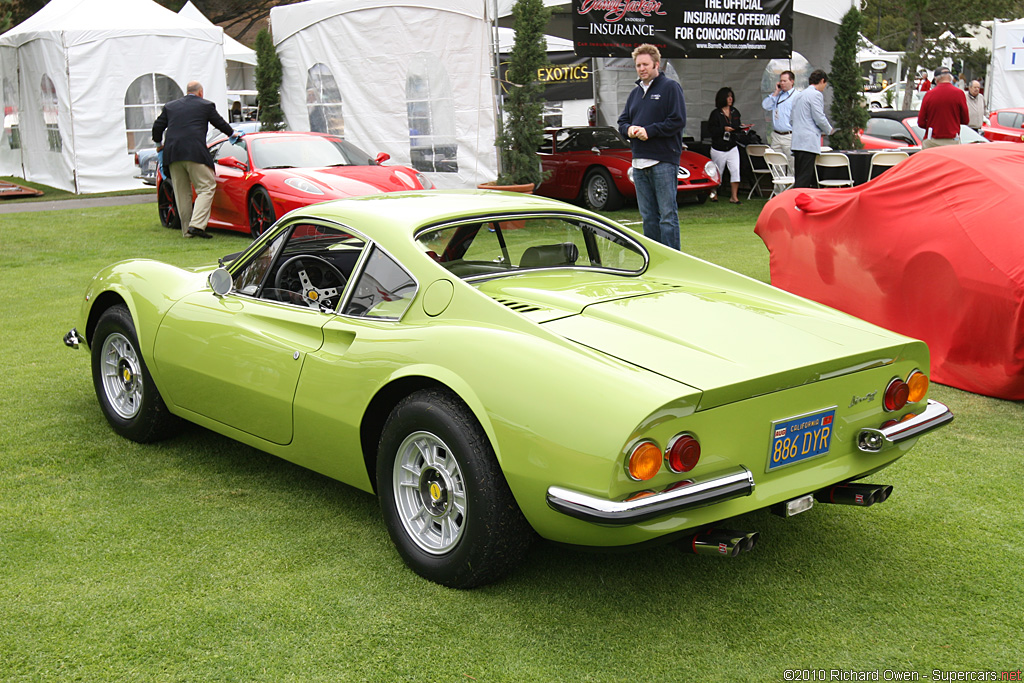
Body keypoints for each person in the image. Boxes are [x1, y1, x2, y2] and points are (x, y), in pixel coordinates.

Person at [617, 43, 686, 250]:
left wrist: (650, 131)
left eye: (645, 64)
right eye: (638, 65)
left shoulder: (670, 88)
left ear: (657, 64)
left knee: (667, 215)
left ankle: (674, 261)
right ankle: (654, 260)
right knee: (648, 217)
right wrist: (629, 130)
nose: (641, 68)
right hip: (639, 162)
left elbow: (677, 120)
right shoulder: (635, 93)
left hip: (663, 161)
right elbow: (622, 122)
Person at [152, 81, 238, 239]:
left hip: (173, 155)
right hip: (194, 153)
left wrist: (159, 146)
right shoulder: (205, 105)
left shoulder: (171, 106)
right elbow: (219, 123)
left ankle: (186, 232)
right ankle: (196, 225)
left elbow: (157, 127)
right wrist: (232, 134)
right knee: (206, 187)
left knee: (181, 193)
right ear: (200, 92)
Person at [790, 69, 833, 189]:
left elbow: (791, 120)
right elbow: (819, 117)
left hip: (797, 141)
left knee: (799, 175)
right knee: (804, 177)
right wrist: (829, 130)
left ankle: (796, 201)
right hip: (808, 142)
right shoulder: (816, 94)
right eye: (825, 84)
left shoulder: (798, 96)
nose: (824, 87)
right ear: (822, 81)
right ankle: (795, 203)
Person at [918, 66, 968, 148]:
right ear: (950, 78)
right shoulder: (959, 94)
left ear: (936, 79)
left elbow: (921, 122)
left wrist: (932, 125)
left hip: (932, 139)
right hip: (952, 139)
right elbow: (965, 120)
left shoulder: (929, 95)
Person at [708, 87, 743, 204]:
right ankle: (714, 194)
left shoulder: (735, 112)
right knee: (718, 172)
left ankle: (734, 196)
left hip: (732, 147)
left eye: (731, 96)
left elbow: (737, 127)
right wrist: (723, 129)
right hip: (719, 148)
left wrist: (742, 128)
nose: (730, 99)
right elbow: (711, 130)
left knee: (735, 170)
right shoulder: (715, 114)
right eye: (728, 96)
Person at [761, 70, 796, 171]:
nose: (782, 83)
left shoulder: (796, 96)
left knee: (791, 166)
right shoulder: (777, 96)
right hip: (776, 135)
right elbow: (766, 105)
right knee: (777, 166)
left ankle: (791, 187)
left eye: (785, 81)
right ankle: (779, 187)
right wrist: (776, 92)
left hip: (789, 135)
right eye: (781, 81)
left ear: (792, 81)